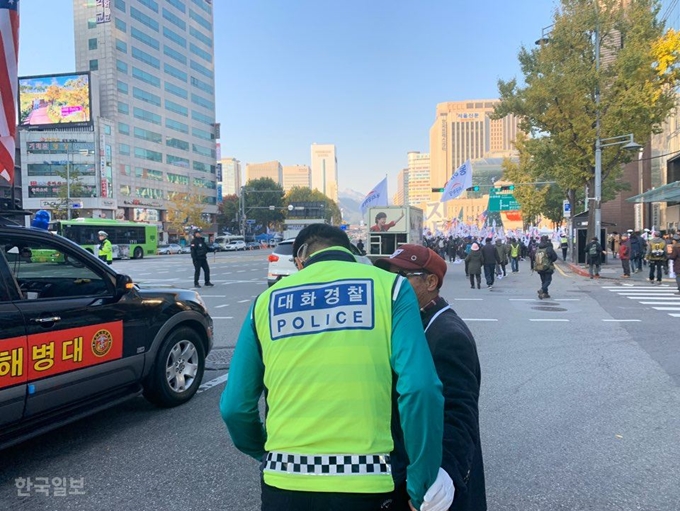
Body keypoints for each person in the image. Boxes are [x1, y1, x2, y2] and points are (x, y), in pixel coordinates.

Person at [220, 224, 451, 511]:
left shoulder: (265, 302)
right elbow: (420, 389)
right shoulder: (390, 288)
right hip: (369, 482)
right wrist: (421, 484)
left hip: (285, 483)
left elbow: (234, 407)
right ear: (349, 252)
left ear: (300, 260)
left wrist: (265, 452)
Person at [375, 245, 486, 511]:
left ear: (431, 281)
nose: (393, 284)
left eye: (402, 276)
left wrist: (443, 474)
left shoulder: (446, 334)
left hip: (434, 492)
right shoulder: (411, 322)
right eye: (389, 276)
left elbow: (458, 413)